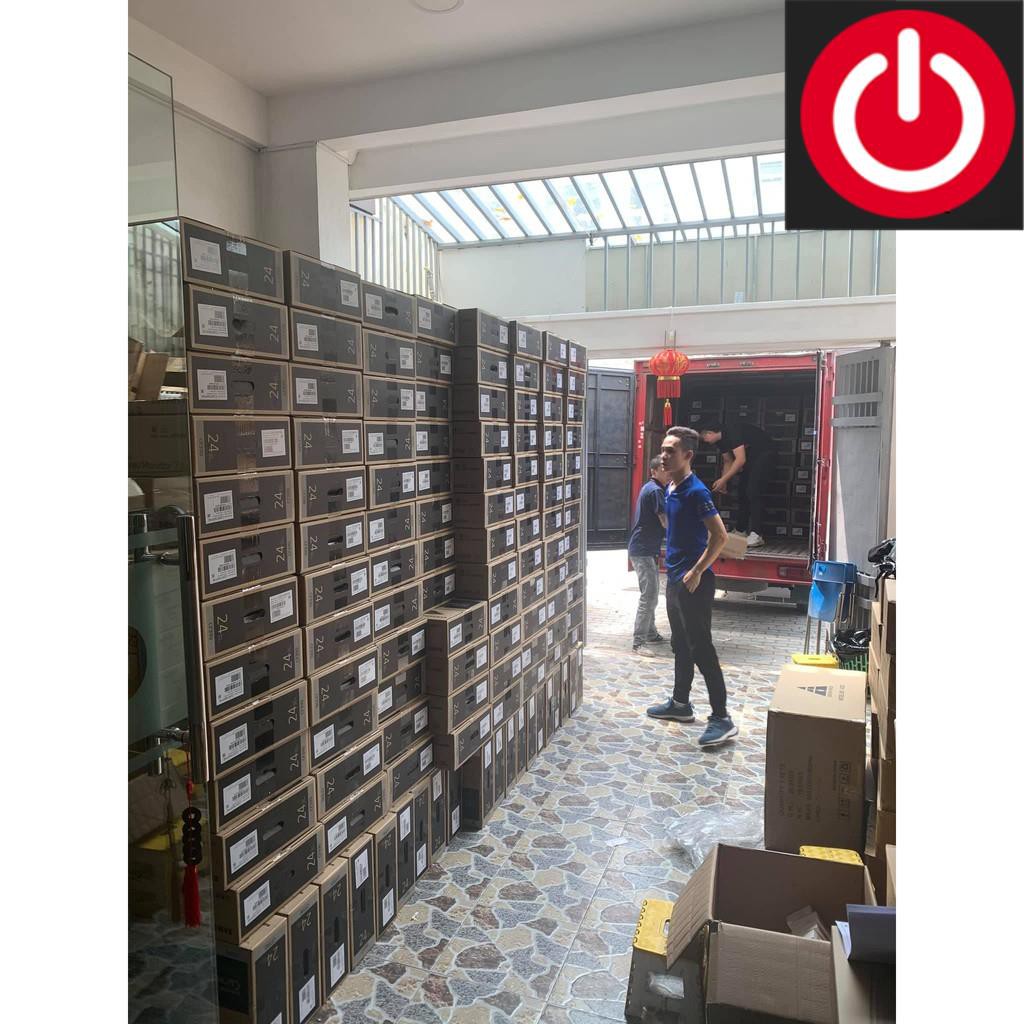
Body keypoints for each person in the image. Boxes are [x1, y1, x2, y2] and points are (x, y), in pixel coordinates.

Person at [646, 426, 738, 747]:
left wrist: (697, 570)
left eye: (671, 450)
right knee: (680, 644)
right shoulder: (671, 487)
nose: (664, 455)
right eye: (663, 449)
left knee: (701, 648)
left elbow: (720, 536)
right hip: (674, 579)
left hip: (694, 581)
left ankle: (722, 718)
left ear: (688, 455)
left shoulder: (697, 492)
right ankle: (680, 703)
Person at [699, 421, 776, 549]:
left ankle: (757, 534)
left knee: (753, 491)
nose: (704, 442)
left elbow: (740, 460)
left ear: (709, 433)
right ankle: (741, 530)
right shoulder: (720, 441)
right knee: (742, 491)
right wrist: (724, 481)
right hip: (751, 456)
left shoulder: (732, 431)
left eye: (704, 438)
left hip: (764, 453)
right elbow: (728, 460)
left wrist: (723, 479)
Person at [627, 456, 670, 655]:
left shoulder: (652, 488)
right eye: (663, 469)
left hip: (646, 549)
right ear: (654, 471)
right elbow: (665, 522)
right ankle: (639, 642)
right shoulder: (655, 491)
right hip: (642, 550)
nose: (668, 472)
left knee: (651, 592)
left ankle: (651, 633)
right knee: (650, 595)